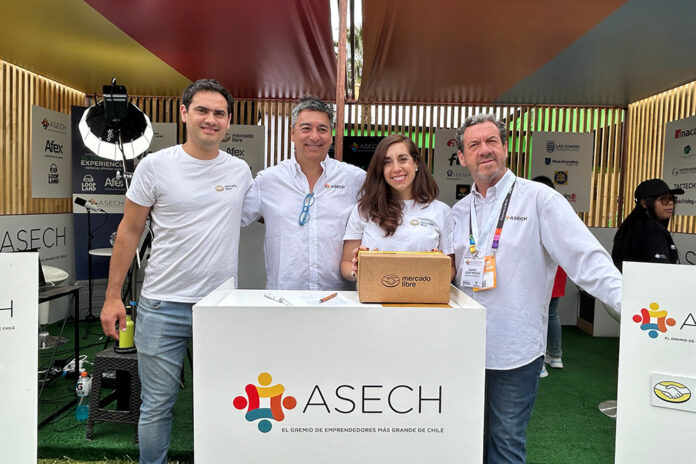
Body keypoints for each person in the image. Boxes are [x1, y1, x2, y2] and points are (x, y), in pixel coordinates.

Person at [452, 114, 622, 464]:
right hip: (464, 349)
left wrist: (634, 304)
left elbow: (586, 258)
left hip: (515, 351)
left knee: (506, 442)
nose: (484, 150)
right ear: (462, 157)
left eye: (492, 141)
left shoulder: (540, 199)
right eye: (474, 145)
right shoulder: (458, 211)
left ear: (505, 148)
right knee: (466, 441)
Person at [100, 79, 252, 464]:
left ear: (228, 121)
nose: (211, 119)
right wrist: (113, 296)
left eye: (219, 113)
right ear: (184, 113)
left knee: (224, 400)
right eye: (202, 110)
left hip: (219, 307)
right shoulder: (155, 166)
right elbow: (129, 231)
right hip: (161, 306)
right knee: (156, 405)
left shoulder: (240, 170)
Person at [242, 96, 365, 290]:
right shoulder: (268, 181)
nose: (314, 137)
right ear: (292, 133)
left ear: (331, 134)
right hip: (284, 297)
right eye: (306, 128)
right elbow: (231, 217)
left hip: (338, 298)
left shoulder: (355, 180)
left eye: (322, 129)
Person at [340, 134, 455, 281]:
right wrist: (356, 271)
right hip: (375, 295)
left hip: (422, 295)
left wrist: (437, 270)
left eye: (403, 159)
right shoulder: (363, 209)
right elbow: (346, 264)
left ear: (416, 163)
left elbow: (451, 268)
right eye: (387, 162)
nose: (396, 168)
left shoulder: (441, 211)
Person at [531, 175, 567, 377]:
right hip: (556, 271)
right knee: (551, 314)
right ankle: (555, 356)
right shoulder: (560, 212)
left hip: (544, 272)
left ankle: (541, 361)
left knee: (542, 315)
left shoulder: (537, 213)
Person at [612, 178, 683, 272]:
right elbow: (662, 271)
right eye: (664, 199)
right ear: (644, 203)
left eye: (672, 199)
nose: (670, 203)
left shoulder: (629, 225)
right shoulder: (652, 229)